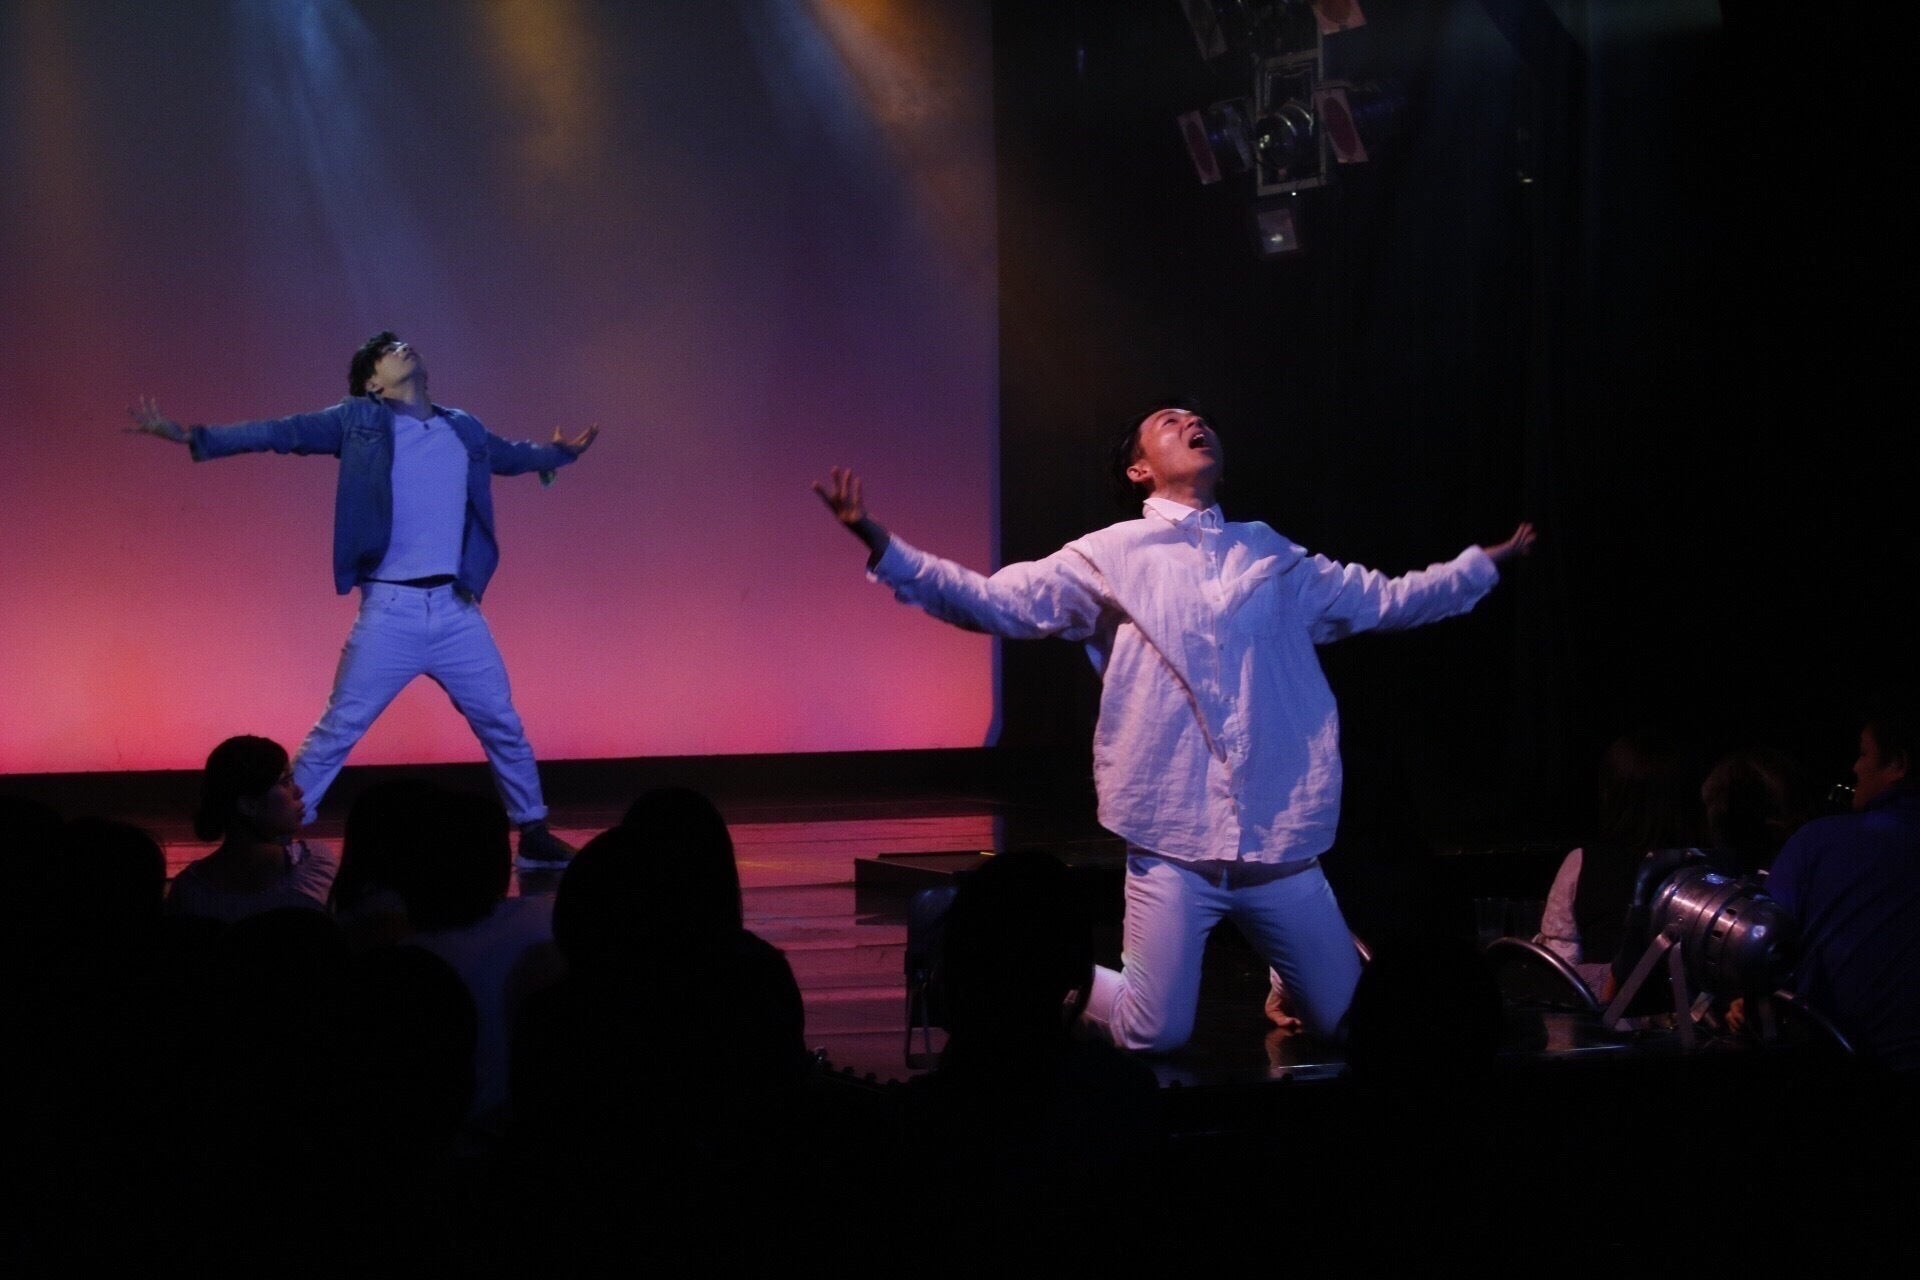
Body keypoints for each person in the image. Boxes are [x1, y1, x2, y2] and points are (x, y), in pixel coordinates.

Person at [813, 404, 1535, 1051]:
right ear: (1139, 469)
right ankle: (1023, 966)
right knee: (1154, 1033)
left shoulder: (1271, 554)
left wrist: (1482, 567)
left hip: (1277, 842)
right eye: (1169, 421)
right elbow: (994, 601)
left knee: (1354, 1029)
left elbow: (1386, 599)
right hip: (1175, 842)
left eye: (1200, 419)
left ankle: (1289, 978)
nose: (1193, 423)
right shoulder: (1111, 555)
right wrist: (881, 543)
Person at [127, 332, 598, 865]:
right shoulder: (358, 421)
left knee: (502, 723)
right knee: (338, 729)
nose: (402, 348)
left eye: (404, 344)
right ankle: (277, 839)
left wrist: (559, 454)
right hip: (390, 611)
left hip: (456, 608)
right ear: (373, 382)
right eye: (388, 350)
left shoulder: (461, 426)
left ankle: (532, 831)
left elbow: (510, 455)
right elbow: (281, 432)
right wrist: (191, 436)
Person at [1766, 694, 1920, 1074]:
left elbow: (1760, 945)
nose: (1855, 767)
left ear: (1898, 764)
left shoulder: (1818, 843)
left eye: (1864, 754)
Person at [167, 734, 340, 924]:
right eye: (285, 782)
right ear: (248, 805)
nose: (299, 791)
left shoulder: (189, 890)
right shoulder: (317, 864)